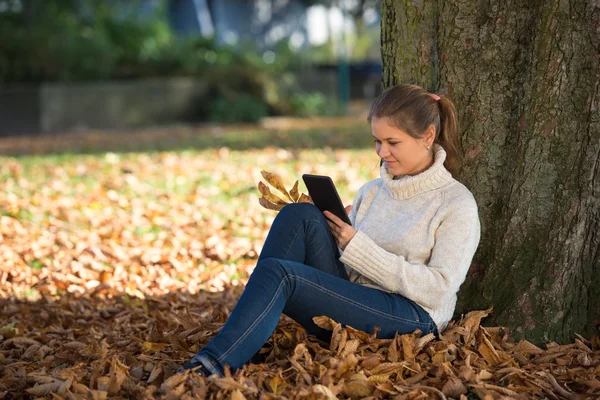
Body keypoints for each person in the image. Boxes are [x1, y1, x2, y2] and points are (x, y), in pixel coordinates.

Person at [180, 84, 481, 377]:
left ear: (428, 136)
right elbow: (353, 263)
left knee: (281, 274)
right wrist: (332, 231)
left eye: (393, 142)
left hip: (413, 315)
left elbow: (439, 287)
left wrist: (358, 247)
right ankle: (246, 341)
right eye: (377, 141)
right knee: (299, 215)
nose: (383, 151)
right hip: (358, 298)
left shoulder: (455, 204)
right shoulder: (373, 191)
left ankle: (210, 365)